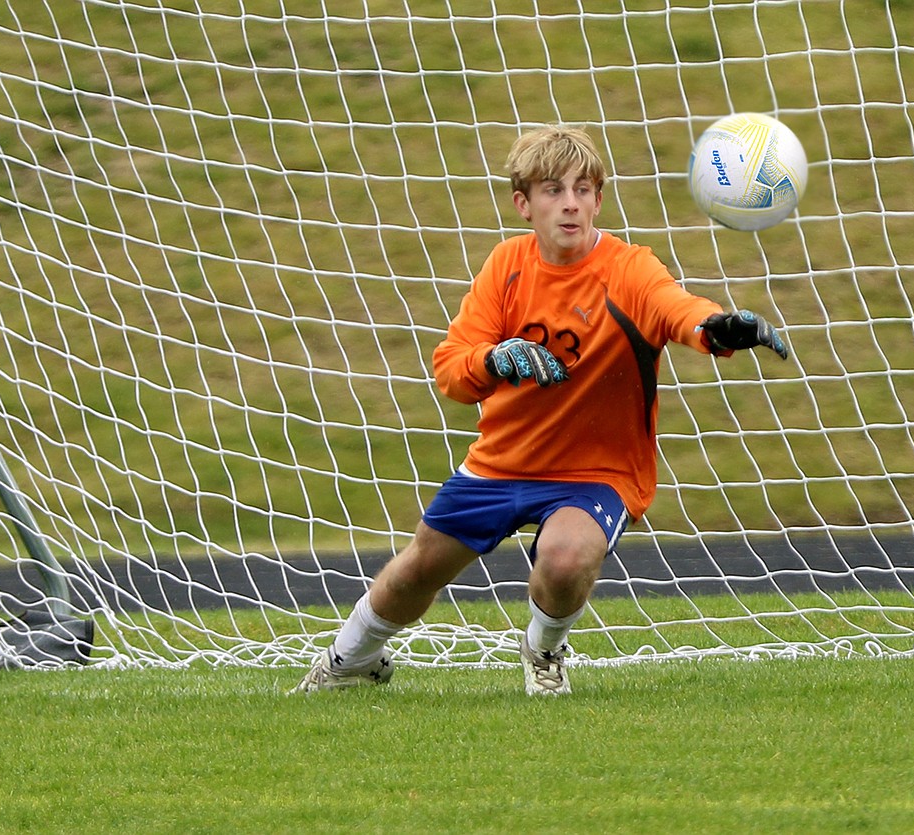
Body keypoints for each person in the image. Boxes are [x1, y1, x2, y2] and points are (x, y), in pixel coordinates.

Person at [290, 124, 788, 696]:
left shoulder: (630, 269)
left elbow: (677, 310)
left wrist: (716, 328)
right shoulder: (507, 267)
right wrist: (497, 358)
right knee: (418, 570)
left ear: (600, 199)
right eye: (552, 190)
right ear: (523, 204)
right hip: (502, 463)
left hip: (596, 471)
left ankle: (544, 651)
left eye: (582, 188)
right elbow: (452, 368)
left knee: (566, 554)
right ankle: (349, 660)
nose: (570, 202)